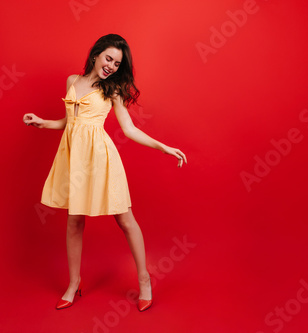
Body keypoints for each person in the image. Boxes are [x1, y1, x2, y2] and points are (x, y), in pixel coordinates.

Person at [23, 33, 187, 312]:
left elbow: (129, 129)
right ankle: (74, 283)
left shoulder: (112, 90)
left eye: (117, 63)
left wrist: (162, 147)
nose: (111, 65)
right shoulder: (72, 81)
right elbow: (70, 122)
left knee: (125, 220)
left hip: (100, 159)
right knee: (74, 221)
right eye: (108, 58)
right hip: (73, 159)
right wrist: (43, 123)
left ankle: (144, 279)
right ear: (96, 54)